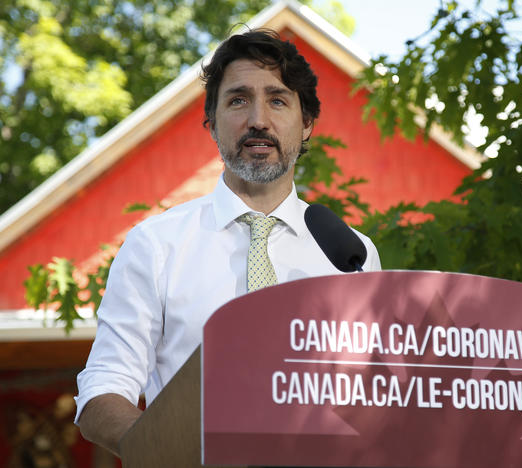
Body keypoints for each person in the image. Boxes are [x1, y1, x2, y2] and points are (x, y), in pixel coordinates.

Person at [74, 28, 381, 456]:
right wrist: (165, 453)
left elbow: (376, 396)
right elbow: (103, 389)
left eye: (277, 100)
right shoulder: (157, 244)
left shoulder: (353, 254)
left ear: (307, 123)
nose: (258, 119)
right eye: (238, 100)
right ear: (213, 123)